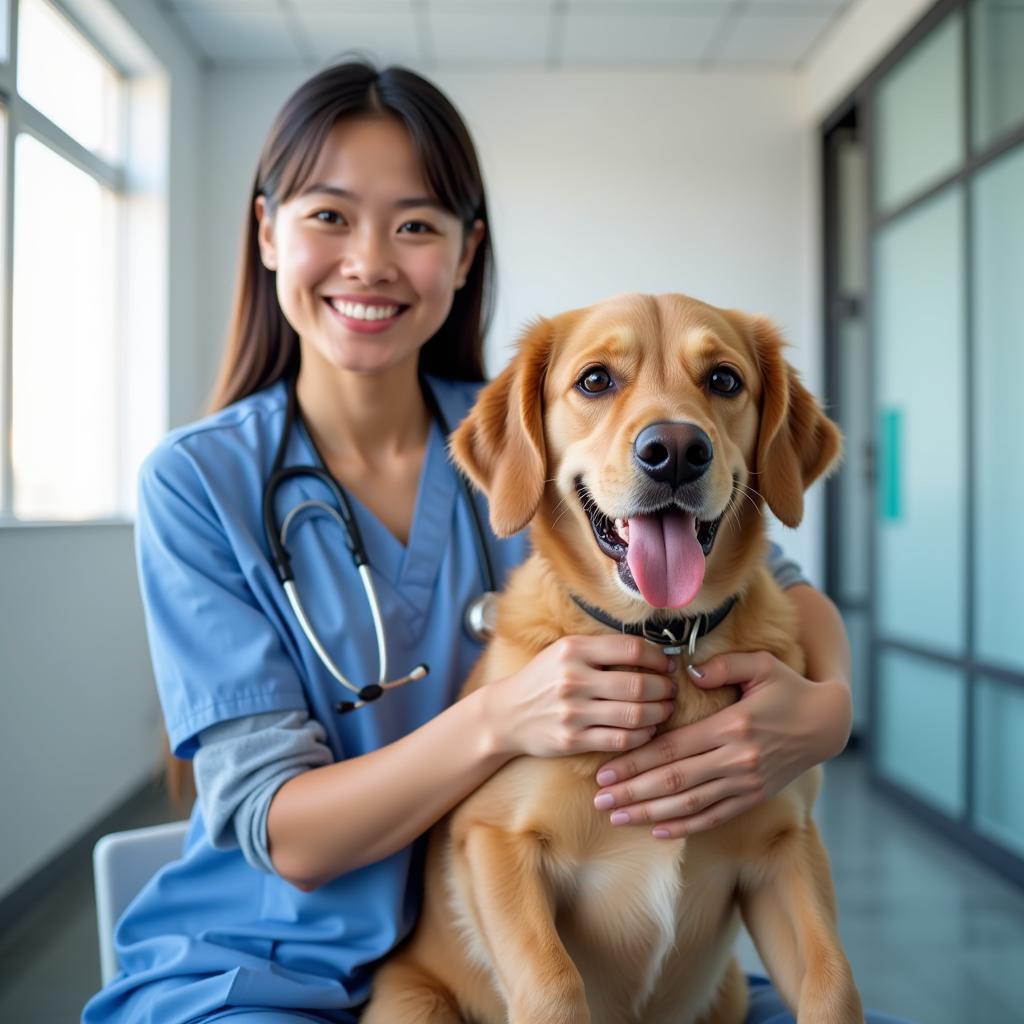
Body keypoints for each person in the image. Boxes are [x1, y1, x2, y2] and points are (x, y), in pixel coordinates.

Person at [83, 61, 906, 1024]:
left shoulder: (539, 438)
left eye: (419, 224)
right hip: (270, 955)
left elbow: (773, 580)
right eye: (329, 215)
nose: (373, 260)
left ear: (468, 253)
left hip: (581, 946)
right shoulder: (198, 482)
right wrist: (501, 719)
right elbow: (284, 830)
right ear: (266, 231)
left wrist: (828, 709)